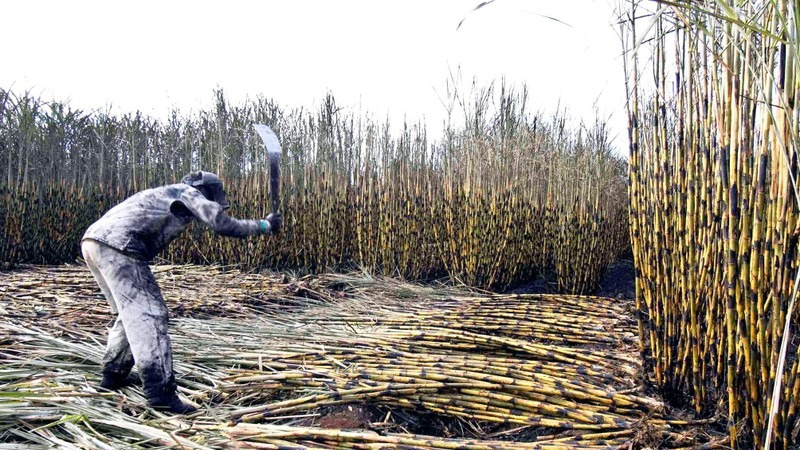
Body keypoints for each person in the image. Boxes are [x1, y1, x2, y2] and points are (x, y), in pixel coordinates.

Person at [81, 170, 281, 414]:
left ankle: (113, 375)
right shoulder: (189, 193)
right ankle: (161, 394)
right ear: (205, 190)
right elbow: (222, 224)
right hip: (119, 245)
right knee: (150, 315)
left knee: (130, 314)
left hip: (93, 242)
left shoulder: (166, 193)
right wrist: (264, 225)